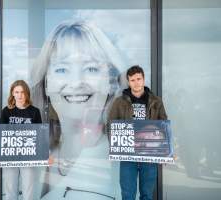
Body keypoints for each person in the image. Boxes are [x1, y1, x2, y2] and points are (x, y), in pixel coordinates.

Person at [31, 20, 126, 199]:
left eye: (91, 68)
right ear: (45, 83)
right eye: (61, 70)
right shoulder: (40, 151)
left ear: (110, 82)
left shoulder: (122, 161)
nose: (76, 83)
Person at [108, 65, 167, 200]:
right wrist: (115, 147)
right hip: (128, 156)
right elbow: (111, 125)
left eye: (139, 79)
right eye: (132, 80)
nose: (136, 82)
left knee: (147, 194)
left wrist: (165, 151)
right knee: (128, 194)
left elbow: (163, 125)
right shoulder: (119, 102)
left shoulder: (156, 101)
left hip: (149, 155)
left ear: (144, 79)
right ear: (128, 82)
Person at [0, 80, 42, 200]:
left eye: (22, 92)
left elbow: (39, 136)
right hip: (10, 156)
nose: (20, 95)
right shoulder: (6, 111)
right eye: (17, 92)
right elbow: (0, 135)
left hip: (28, 156)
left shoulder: (34, 112)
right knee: (10, 190)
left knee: (28, 190)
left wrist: (45, 154)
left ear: (27, 93)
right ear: (12, 93)